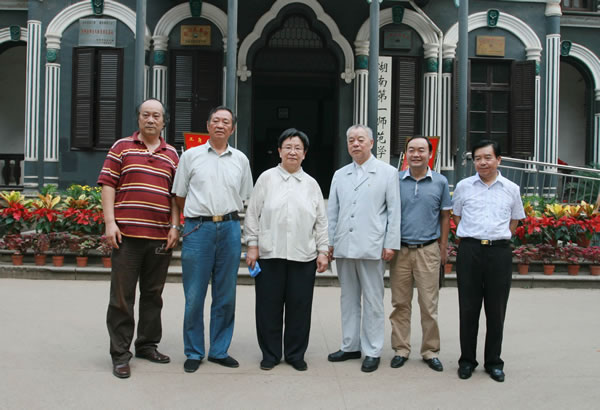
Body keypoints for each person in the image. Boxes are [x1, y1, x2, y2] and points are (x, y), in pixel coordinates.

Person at [98, 98, 180, 379]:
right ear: (138, 119)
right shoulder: (121, 147)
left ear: (164, 121)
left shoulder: (172, 154)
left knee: (153, 295)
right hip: (127, 237)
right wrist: (110, 222)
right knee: (122, 297)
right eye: (146, 115)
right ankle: (120, 354)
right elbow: (108, 184)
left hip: (159, 237)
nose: (151, 120)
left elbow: (174, 195)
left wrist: (175, 226)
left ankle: (147, 344)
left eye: (156, 115)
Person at [172, 106, 253, 373]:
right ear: (207, 126)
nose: (220, 125)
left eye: (225, 122)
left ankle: (219, 350)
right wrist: (196, 217)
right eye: (215, 120)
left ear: (233, 129)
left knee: (225, 294)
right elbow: (179, 195)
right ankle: (194, 351)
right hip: (198, 229)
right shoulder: (191, 156)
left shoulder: (240, 159)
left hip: (230, 228)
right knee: (194, 294)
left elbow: (246, 196)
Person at [244, 128, 329, 372]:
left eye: (298, 148)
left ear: (304, 154)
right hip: (269, 254)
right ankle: (270, 354)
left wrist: (323, 251)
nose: (293, 152)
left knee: (299, 308)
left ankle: (295, 354)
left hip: (303, 256)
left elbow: (321, 221)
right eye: (288, 147)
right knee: (268, 307)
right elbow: (252, 215)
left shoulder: (311, 184)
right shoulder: (266, 179)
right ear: (279, 151)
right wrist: (252, 245)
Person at [327, 124, 400, 373]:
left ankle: (373, 350)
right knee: (348, 298)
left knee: (372, 300)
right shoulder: (340, 174)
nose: (355, 144)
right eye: (351, 140)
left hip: (373, 246)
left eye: (360, 139)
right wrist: (330, 242)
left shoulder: (387, 173)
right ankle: (350, 345)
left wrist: (390, 243)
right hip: (344, 245)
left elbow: (394, 212)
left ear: (371, 143)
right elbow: (333, 212)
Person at [452, 139, 525, 383]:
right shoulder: (463, 186)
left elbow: (514, 221)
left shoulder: (511, 188)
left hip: (499, 253)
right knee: (468, 308)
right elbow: (457, 216)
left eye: (487, 157)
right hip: (470, 250)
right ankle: (467, 361)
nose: (482, 162)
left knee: (496, 310)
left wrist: (497, 238)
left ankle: (494, 362)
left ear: (498, 160)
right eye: (478, 158)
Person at [389, 136, 451, 372]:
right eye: (412, 150)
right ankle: (401, 349)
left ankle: (430, 351)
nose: (416, 154)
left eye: (421, 150)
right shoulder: (395, 180)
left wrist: (443, 247)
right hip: (400, 251)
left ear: (430, 154)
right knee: (400, 303)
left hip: (428, 250)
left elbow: (445, 216)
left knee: (429, 305)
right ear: (405, 154)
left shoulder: (440, 182)